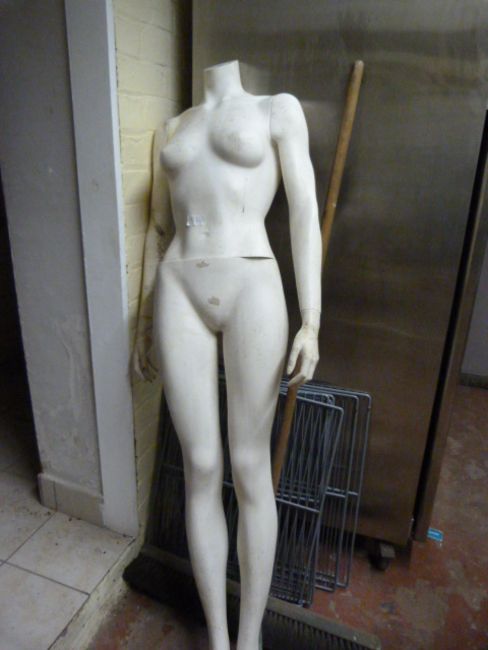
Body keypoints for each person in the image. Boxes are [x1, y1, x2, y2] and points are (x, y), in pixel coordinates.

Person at [133, 60, 321, 650]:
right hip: (178, 285)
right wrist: (143, 324)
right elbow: (157, 229)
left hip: (252, 281)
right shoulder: (171, 129)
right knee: (201, 465)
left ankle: (249, 636)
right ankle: (218, 636)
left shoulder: (277, 108)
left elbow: (304, 210)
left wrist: (312, 319)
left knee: (249, 465)